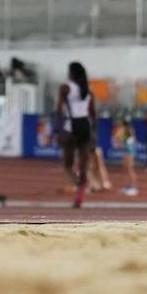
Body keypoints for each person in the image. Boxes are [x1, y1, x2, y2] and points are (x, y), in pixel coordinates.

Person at [58, 62, 96, 208]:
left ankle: (79, 183)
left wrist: (58, 130)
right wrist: (94, 132)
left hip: (71, 125)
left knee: (68, 165)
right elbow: (93, 113)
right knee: (84, 165)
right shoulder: (88, 89)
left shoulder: (65, 87)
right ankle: (80, 195)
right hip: (85, 125)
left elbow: (59, 110)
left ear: (71, 73)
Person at [110, 116, 139, 196]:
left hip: (129, 151)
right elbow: (119, 141)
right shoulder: (127, 129)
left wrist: (116, 138)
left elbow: (122, 140)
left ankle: (134, 187)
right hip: (127, 150)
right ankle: (129, 186)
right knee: (126, 168)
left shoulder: (128, 130)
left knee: (130, 169)